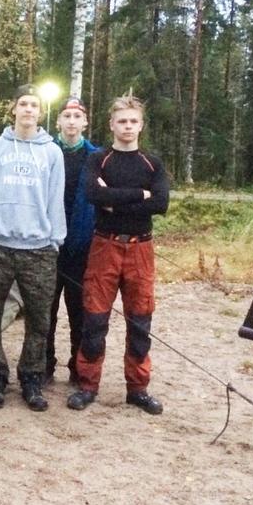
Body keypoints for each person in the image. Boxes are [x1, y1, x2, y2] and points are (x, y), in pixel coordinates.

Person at [68, 93, 169, 415]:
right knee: (95, 319)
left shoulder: (152, 162)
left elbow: (161, 203)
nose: (127, 126)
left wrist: (116, 198)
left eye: (133, 121)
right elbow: (93, 193)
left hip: (141, 248)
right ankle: (87, 385)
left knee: (140, 320)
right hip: (104, 246)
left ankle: (137, 388)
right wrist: (139, 194)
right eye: (121, 121)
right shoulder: (99, 159)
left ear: (141, 125)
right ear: (111, 124)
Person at [0, 85, 66, 412]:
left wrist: (55, 239)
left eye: (34, 105)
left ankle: (31, 378)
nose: (28, 110)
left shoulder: (52, 153)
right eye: (23, 104)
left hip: (38, 248)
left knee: (39, 319)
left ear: (40, 112)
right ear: (14, 109)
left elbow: (56, 198)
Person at [46, 97, 101, 384]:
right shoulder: (44, 152)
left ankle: (79, 369)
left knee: (81, 313)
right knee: (46, 312)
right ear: (58, 122)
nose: (71, 121)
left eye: (76, 116)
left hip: (83, 248)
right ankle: (44, 366)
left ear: (85, 122)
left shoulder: (97, 157)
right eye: (66, 116)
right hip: (47, 248)